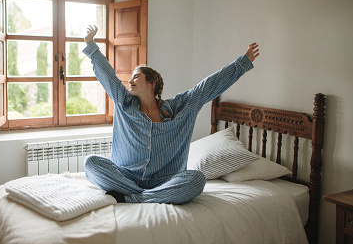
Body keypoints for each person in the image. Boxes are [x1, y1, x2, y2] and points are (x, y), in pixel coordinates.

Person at [83, 25, 259, 204]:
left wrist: (241, 64)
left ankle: (134, 197)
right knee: (91, 163)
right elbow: (108, 76)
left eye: (136, 76)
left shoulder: (181, 109)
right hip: (126, 177)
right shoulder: (124, 103)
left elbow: (207, 86)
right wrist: (91, 45)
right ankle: (141, 196)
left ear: (151, 82)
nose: (130, 80)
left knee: (197, 179)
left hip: (165, 181)